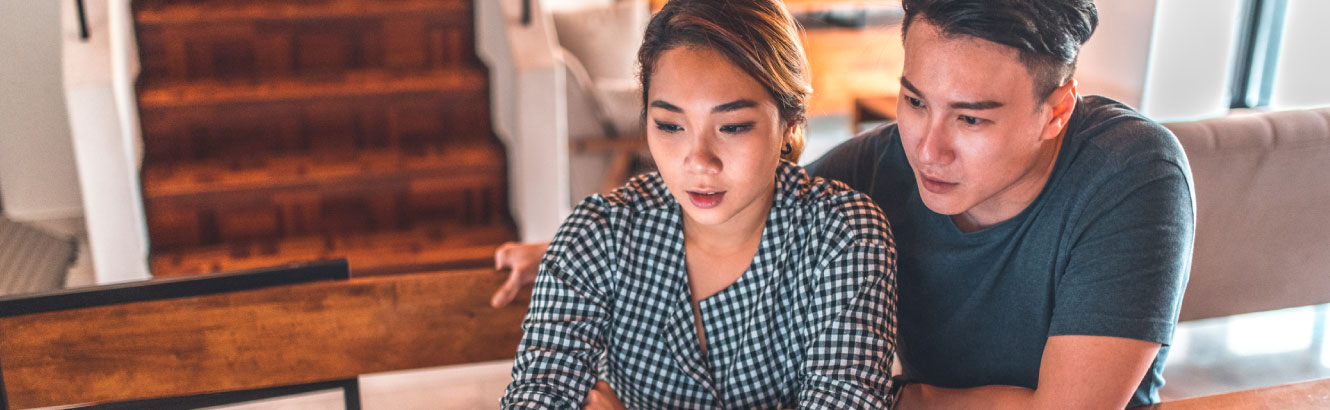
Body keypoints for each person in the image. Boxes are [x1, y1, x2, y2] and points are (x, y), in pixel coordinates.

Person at [496, 0, 1195, 408]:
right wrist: (571, 250)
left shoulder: (1129, 170)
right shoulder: (871, 170)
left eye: (972, 119)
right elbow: (747, 197)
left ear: (1056, 110)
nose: (927, 147)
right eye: (914, 100)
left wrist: (909, 401)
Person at [499, 0, 899, 408]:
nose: (698, 161)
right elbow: (537, 396)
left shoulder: (844, 237)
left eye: (733, 126)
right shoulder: (598, 234)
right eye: (670, 126)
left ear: (790, 124)